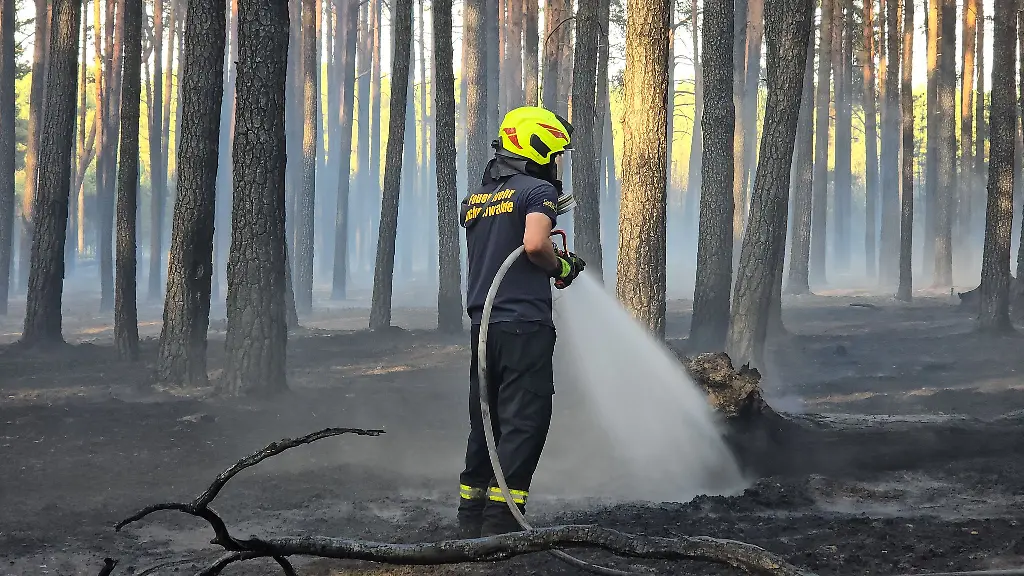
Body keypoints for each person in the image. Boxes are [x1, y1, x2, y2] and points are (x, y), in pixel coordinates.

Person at [456, 106, 586, 538]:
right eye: (555, 152)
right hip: (523, 326)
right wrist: (561, 268)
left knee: (486, 421)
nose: (557, 162)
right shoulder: (536, 191)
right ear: (538, 148)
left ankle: (470, 521)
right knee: (523, 423)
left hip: (483, 327)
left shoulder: (479, 197)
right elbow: (533, 243)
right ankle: (502, 525)